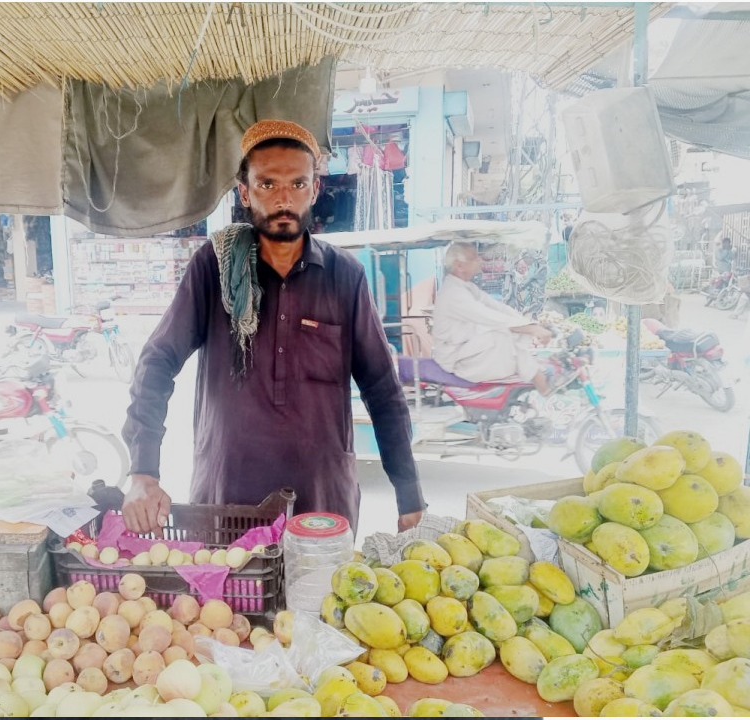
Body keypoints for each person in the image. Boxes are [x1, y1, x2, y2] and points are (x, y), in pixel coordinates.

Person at [121, 119, 425, 535]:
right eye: (267, 184)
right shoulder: (213, 268)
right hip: (227, 498)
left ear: (315, 190)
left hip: (322, 501)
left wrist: (408, 494)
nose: (284, 198)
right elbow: (157, 363)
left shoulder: (345, 276)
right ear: (244, 192)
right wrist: (143, 471)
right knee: (224, 601)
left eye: (298, 184)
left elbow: (382, 390)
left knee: (319, 599)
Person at [431, 243, 555, 395]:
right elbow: (488, 317)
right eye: (474, 257)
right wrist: (530, 329)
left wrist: (529, 325)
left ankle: (537, 377)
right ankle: (540, 381)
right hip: (457, 360)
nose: (480, 260)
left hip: (469, 349)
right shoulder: (453, 294)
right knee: (502, 336)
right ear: (459, 266)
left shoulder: (466, 287)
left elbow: (497, 307)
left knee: (507, 338)